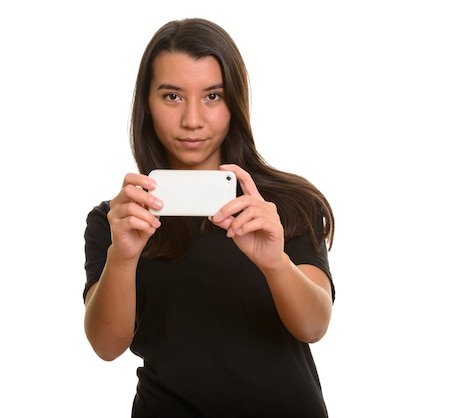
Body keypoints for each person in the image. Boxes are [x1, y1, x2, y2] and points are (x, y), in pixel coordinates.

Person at [82, 17, 335, 417]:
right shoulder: (117, 220)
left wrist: (274, 263)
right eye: (172, 96)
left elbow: (314, 326)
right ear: (146, 104)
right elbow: (106, 346)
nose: (193, 120)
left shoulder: (286, 205)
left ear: (235, 101)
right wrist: (123, 256)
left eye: (212, 96)